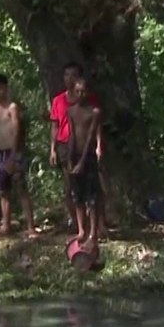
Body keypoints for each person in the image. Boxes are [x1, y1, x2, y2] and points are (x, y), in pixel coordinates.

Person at [49, 62, 104, 234]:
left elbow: (95, 129)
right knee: (72, 187)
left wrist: (99, 145)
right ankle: (79, 226)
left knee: (93, 189)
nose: (70, 79)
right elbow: (56, 126)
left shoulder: (91, 104)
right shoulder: (60, 102)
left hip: (87, 148)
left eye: (73, 75)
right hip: (67, 146)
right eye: (66, 75)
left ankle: (97, 227)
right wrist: (53, 148)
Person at [0, 73, 38, 236]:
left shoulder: (12, 108)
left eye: (0, 88)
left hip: (13, 152)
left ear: (6, 88)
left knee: (21, 189)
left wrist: (13, 156)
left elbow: (16, 131)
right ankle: (6, 225)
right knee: (3, 191)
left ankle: (30, 226)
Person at [65, 79, 102, 248]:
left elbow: (90, 138)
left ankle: (93, 233)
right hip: (76, 155)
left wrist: (81, 162)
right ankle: (81, 230)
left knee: (92, 197)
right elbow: (72, 136)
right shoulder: (71, 111)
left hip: (88, 156)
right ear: (73, 92)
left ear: (88, 92)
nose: (80, 94)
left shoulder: (94, 112)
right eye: (77, 91)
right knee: (77, 195)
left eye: (83, 91)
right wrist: (70, 159)